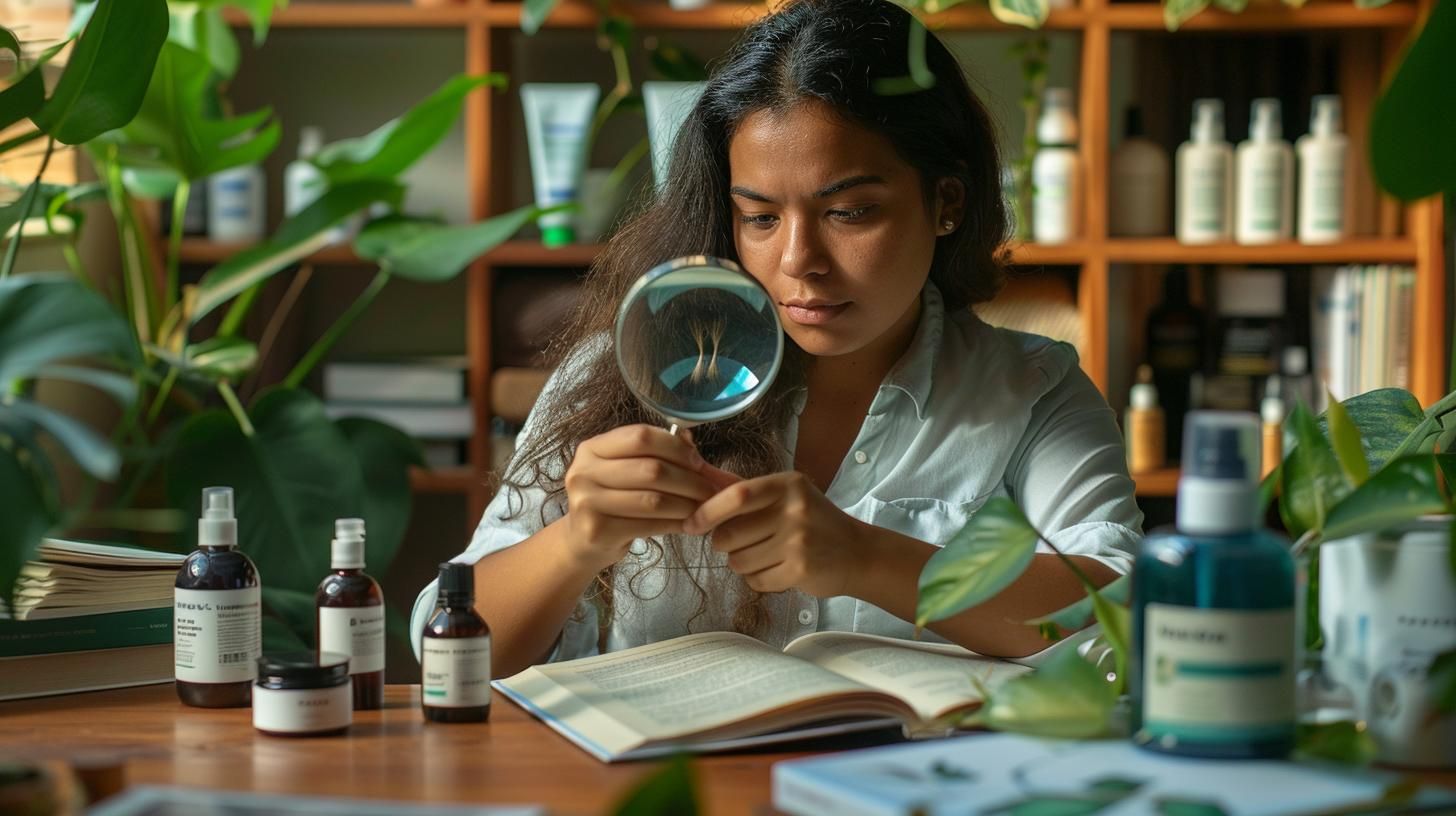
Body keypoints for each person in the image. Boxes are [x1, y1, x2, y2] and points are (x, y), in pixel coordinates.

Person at [411, 0, 1143, 678]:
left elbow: (1131, 626)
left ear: (945, 201)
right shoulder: (626, 371)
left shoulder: (1032, 391)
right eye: (760, 218)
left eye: (850, 212)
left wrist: (867, 557)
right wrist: (575, 543)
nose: (798, 263)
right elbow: (445, 647)